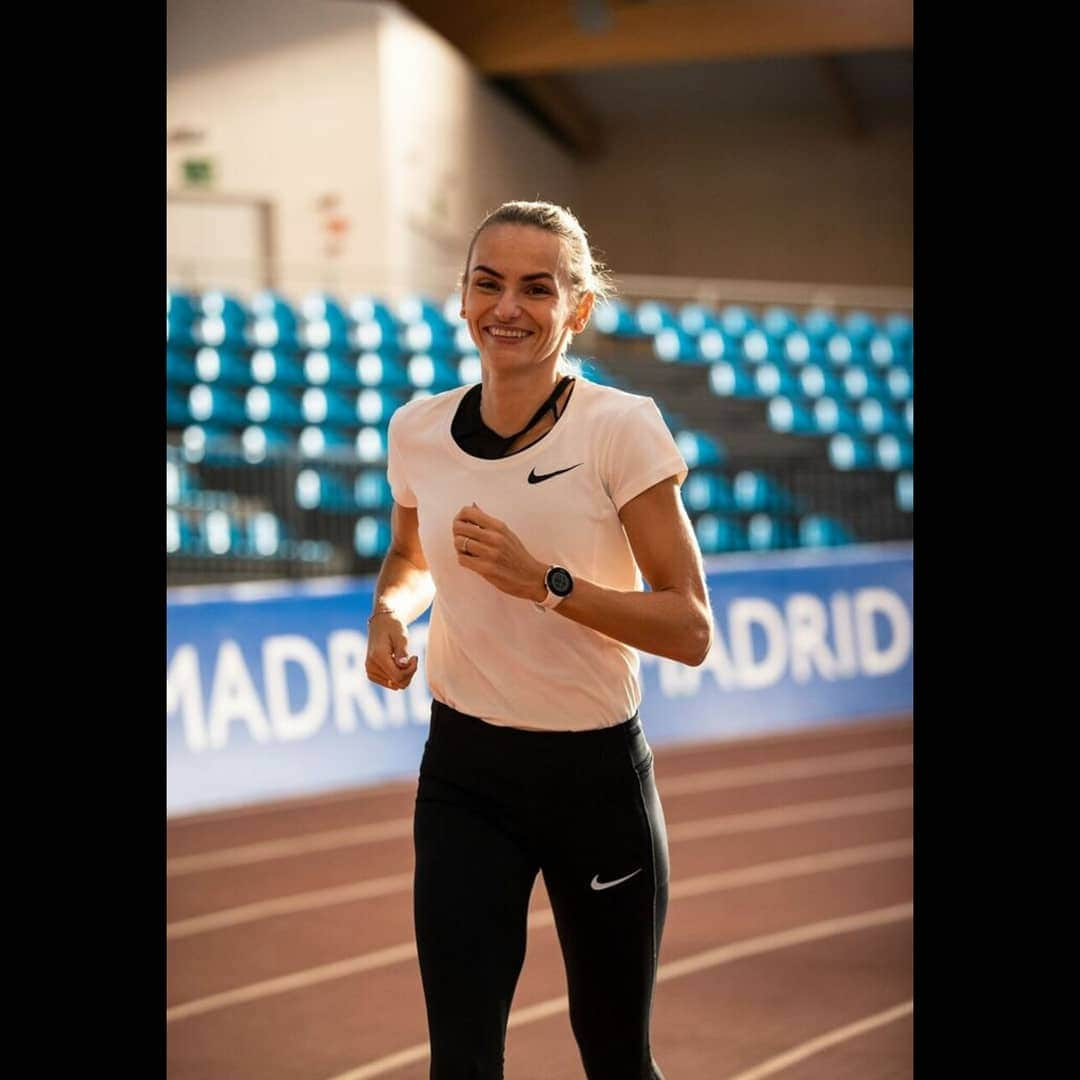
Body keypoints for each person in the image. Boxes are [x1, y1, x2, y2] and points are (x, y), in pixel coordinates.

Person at [365, 200, 713, 1079]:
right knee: (463, 1059)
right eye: (488, 284)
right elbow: (410, 557)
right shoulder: (417, 429)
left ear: (577, 307)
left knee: (614, 1058)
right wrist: (389, 613)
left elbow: (690, 626)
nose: (507, 308)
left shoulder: (620, 427)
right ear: (463, 297)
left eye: (536, 287)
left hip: (592, 779)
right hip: (464, 775)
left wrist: (547, 586)